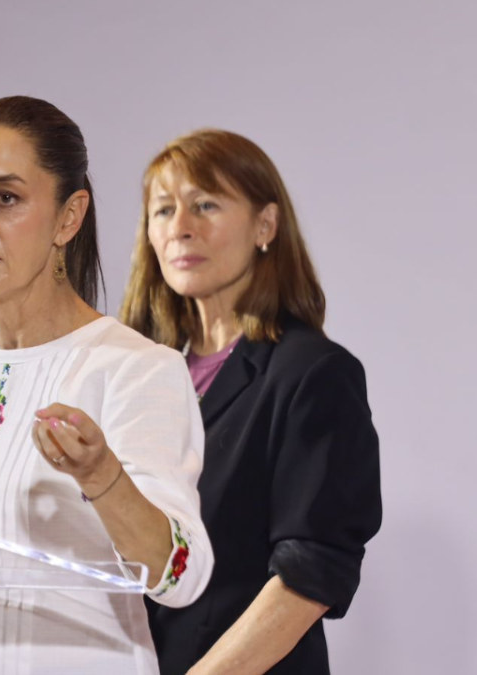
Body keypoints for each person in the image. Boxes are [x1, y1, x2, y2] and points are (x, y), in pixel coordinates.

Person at [0, 96, 212, 675]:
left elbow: (179, 575)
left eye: (7, 197)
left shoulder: (134, 367)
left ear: (69, 217)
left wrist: (101, 477)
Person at [120, 129, 381, 674]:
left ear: (266, 225)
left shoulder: (314, 374)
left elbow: (310, 573)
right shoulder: (136, 375)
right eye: (163, 210)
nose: (181, 228)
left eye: (206, 204)